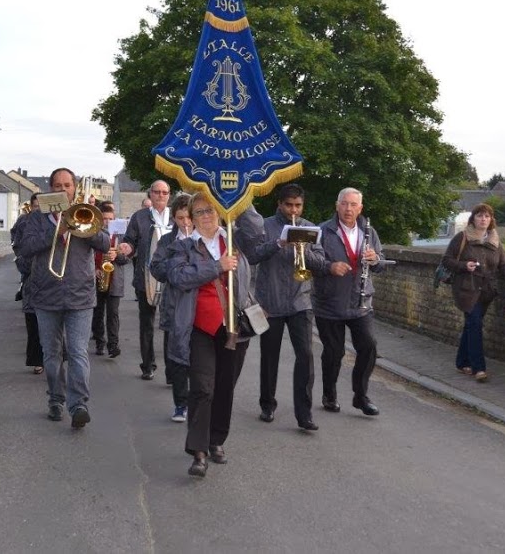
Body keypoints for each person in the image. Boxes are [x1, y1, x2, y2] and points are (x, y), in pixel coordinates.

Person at [160, 193, 263, 477]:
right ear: (191, 218)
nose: (207, 216)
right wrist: (217, 266)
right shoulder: (182, 247)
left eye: (212, 210)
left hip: (233, 327)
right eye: (201, 212)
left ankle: (216, 439)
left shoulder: (234, 237)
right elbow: (179, 277)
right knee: (203, 388)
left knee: (224, 387)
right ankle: (199, 451)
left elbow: (257, 233)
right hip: (199, 327)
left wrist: (243, 197)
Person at [13, 168, 110, 428]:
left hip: (80, 295)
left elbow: (104, 243)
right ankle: (55, 398)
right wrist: (58, 231)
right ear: (50, 189)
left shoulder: (86, 212)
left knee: (78, 353)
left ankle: (79, 404)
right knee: (52, 355)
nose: (62, 189)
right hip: (45, 293)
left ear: (74, 188)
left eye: (67, 185)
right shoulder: (36, 217)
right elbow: (25, 248)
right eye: (57, 185)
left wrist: (84, 224)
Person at [251, 184, 325, 430]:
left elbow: (320, 263)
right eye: (289, 205)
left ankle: (304, 414)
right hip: (270, 300)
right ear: (279, 204)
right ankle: (267, 404)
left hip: (300, 301)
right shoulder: (265, 225)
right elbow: (252, 255)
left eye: (298, 205)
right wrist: (279, 244)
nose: (294, 209)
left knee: (305, 356)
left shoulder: (308, 227)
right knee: (269, 357)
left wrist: (302, 250)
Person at [312, 187, 390, 417]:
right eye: (344, 204)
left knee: (368, 347)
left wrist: (376, 259)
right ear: (337, 206)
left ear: (360, 208)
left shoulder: (369, 232)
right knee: (334, 352)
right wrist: (329, 266)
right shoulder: (322, 230)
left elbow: (383, 263)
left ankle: (361, 396)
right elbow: (310, 260)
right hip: (330, 302)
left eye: (353, 205)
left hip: (360, 301)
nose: (348, 209)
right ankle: (329, 394)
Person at [441, 203, 505, 382]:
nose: (483, 219)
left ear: (491, 220)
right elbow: (446, 260)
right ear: (473, 218)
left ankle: (461, 362)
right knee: (475, 325)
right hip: (466, 290)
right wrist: (464, 266)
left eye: (487, 216)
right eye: (480, 216)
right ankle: (479, 368)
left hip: (487, 292)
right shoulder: (462, 237)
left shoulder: (495, 242)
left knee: (471, 325)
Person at [119, 180, 173, 380]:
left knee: (170, 325)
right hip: (145, 277)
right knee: (147, 324)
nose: (160, 195)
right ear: (150, 194)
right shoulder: (140, 217)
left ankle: (171, 370)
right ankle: (148, 365)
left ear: (169, 195)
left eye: (164, 192)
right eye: (156, 192)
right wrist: (127, 248)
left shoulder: (175, 217)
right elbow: (129, 241)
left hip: (171, 279)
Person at [149, 193, 194, 423]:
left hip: (198, 306)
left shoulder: (203, 239)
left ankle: (196, 400)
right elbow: (155, 268)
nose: (185, 223)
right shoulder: (167, 241)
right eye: (179, 218)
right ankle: (180, 403)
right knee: (176, 357)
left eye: (188, 218)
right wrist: (176, 262)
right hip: (174, 305)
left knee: (197, 357)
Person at [91, 203, 129, 358]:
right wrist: (94, 269)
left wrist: (117, 256)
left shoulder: (120, 236)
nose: (107, 222)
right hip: (98, 276)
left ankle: (113, 345)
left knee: (113, 314)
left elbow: (127, 259)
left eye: (110, 219)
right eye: (104, 219)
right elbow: (86, 255)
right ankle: (100, 342)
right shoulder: (93, 234)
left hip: (115, 280)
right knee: (97, 313)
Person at [12, 194, 43, 374]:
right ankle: (37, 360)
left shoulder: (54, 221)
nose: (39, 209)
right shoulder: (24, 222)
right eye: (36, 206)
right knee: (33, 322)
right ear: (31, 207)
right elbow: (18, 247)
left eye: (41, 206)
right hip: (31, 276)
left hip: (53, 281)